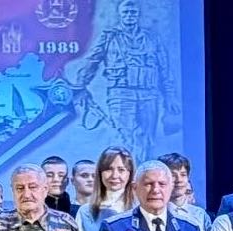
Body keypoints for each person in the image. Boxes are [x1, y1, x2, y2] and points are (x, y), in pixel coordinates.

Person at [75, 0, 177, 163]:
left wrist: (170, 96)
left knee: (147, 139)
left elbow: (164, 69)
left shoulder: (152, 39)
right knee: (124, 137)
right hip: (121, 95)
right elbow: (92, 61)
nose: (130, 16)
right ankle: (126, 174)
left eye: (133, 12)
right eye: (126, 12)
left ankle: (144, 172)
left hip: (148, 95)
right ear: (120, 15)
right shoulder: (109, 37)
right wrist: (79, 86)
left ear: (138, 15)